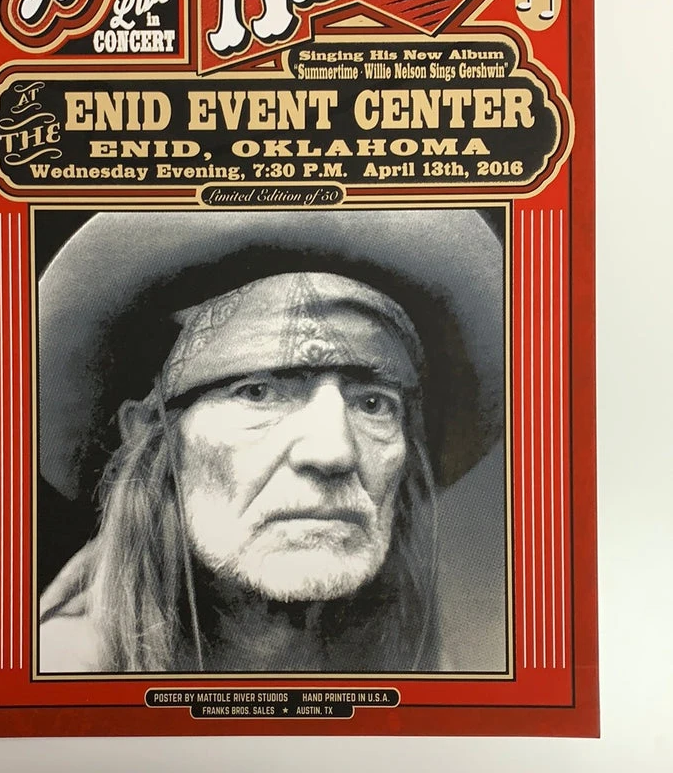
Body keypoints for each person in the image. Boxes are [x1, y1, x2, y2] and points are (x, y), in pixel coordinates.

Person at [37, 208, 505, 675]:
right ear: (149, 435)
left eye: (372, 404)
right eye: (258, 392)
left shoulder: (420, 668)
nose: (334, 452)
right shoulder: (65, 674)